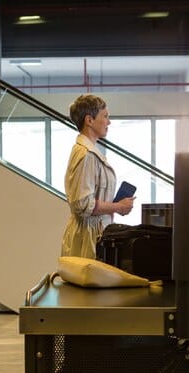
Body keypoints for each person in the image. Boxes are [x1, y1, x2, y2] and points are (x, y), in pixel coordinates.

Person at [61, 94, 134, 258]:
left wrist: (115, 206)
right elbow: (83, 204)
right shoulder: (86, 155)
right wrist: (118, 206)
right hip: (88, 238)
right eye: (105, 116)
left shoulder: (89, 152)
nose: (109, 122)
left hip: (94, 234)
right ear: (89, 120)